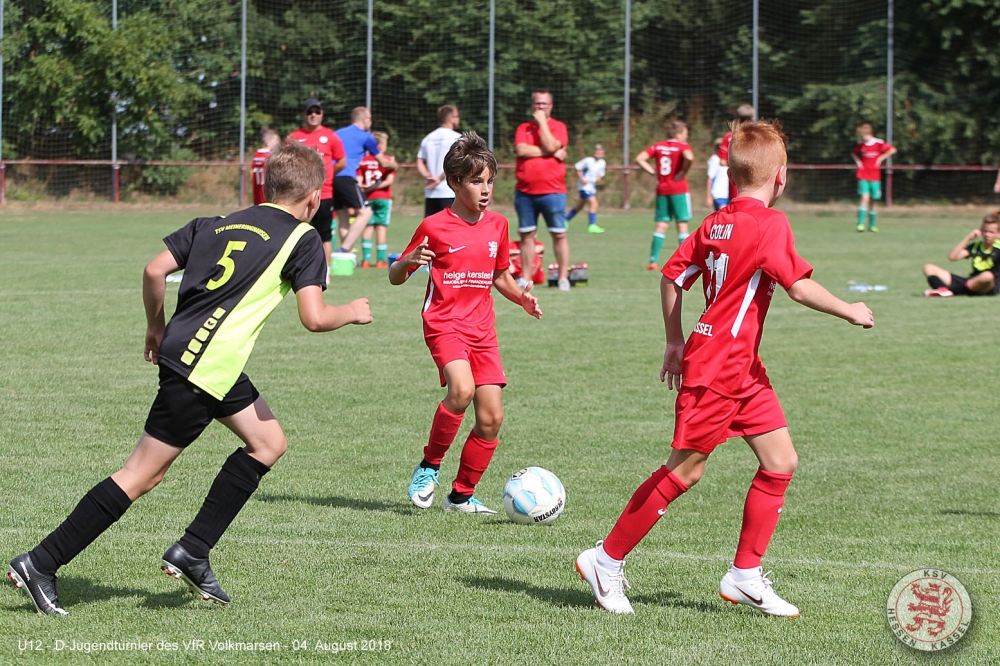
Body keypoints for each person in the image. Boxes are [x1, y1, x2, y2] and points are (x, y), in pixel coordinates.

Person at [6, 142, 373, 616]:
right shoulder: (302, 238)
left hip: (200, 357)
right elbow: (315, 317)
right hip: (205, 366)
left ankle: (193, 550)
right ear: (314, 198)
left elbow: (154, 269)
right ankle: (40, 562)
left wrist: (154, 326)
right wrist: (352, 311)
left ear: (265, 186)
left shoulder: (216, 223)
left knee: (268, 442)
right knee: (142, 474)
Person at [575, 119, 874, 617]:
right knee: (684, 471)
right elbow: (799, 287)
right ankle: (605, 559)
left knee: (780, 460)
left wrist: (674, 339)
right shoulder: (769, 224)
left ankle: (745, 575)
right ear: (781, 176)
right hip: (717, 369)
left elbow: (672, 276)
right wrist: (850, 309)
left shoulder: (715, 222)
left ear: (731, 175)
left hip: (741, 369)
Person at [390, 132, 542, 514]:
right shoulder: (434, 227)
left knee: (491, 418)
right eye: (476, 181)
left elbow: (500, 275)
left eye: (490, 181)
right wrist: (406, 262)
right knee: (461, 389)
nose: (486, 189)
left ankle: (460, 496)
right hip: (444, 324)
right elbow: (395, 276)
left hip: (483, 330)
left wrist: (522, 299)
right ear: (454, 182)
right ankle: (429, 467)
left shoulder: (498, 225)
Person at [514, 90, 572, 292]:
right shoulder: (523, 127)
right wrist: (550, 152)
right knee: (527, 235)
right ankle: (525, 278)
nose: (540, 107)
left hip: (553, 192)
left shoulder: (559, 127)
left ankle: (563, 278)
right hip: (525, 192)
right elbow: (521, 150)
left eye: (544, 104)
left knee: (559, 235)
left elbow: (552, 143)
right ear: (532, 105)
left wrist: (542, 124)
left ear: (551, 106)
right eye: (537, 104)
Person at [288, 98, 347, 268]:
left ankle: (325, 271)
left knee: (324, 235)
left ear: (322, 114)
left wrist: (325, 175)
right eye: (309, 112)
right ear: (304, 114)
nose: (313, 115)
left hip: (323, 193)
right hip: (299, 194)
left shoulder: (330, 136)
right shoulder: (294, 137)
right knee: (295, 233)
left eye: (317, 111)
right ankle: (297, 268)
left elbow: (342, 161)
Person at [334, 107, 397, 257]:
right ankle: (344, 249)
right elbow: (384, 162)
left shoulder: (337, 133)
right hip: (346, 177)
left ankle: (346, 255)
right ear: (365, 120)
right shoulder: (366, 137)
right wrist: (395, 165)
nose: (371, 122)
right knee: (365, 212)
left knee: (343, 216)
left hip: (331, 176)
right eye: (370, 118)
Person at [636, 120, 695, 270]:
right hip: (679, 189)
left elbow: (640, 158)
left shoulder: (658, 146)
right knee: (682, 224)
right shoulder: (683, 146)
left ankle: (653, 260)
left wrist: (653, 172)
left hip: (662, 189)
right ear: (679, 134)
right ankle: (685, 261)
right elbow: (689, 157)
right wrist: (683, 172)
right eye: (685, 134)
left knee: (661, 225)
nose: (686, 137)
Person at [923, 212, 1000, 297]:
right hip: (969, 282)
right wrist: (968, 238)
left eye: (991, 232)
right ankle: (942, 290)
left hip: (988, 286)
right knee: (929, 267)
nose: (987, 235)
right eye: (985, 231)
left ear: (998, 234)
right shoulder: (976, 246)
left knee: (987, 276)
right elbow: (952, 257)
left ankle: (958, 289)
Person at [357, 131, 394, 269]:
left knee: (368, 227)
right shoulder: (388, 160)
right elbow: (389, 181)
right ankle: (380, 261)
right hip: (383, 198)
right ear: (381, 146)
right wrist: (375, 186)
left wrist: (366, 188)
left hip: (367, 198)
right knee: (381, 228)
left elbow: (359, 181)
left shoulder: (363, 161)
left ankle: (366, 260)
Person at [417, 105, 462, 217]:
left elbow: (420, 161)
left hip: (431, 192)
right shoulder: (457, 138)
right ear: (451, 118)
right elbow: (456, 162)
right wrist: (440, 178)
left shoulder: (428, 138)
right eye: (457, 116)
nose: (458, 119)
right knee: (452, 225)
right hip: (450, 191)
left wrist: (428, 176)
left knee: (431, 226)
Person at [852, 123, 896, 233]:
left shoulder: (878, 143)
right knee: (865, 198)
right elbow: (854, 154)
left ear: (869, 133)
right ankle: (860, 224)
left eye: (863, 135)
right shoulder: (860, 144)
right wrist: (858, 162)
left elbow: (892, 150)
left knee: (874, 200)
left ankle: (872, 225)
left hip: (875, 176)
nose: (862, 137)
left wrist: (880, 158)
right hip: (863, 174)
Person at [566, 143, 607, 234]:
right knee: (594, 203)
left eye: (600, 152)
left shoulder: (602, 163)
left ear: (603, 154)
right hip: (584, 186)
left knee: (580, 206)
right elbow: (577, 167)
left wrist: (599, 178)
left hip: (591, 187)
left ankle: (565, 221)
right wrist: (582, 179)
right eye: (597, 151)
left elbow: (601, 174)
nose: (598, 154)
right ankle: (592, 226)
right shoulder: (588, 160)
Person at [717, 104, 755, 201]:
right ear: (752, 118)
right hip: (755, 181)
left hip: (735, 182)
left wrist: (736, 165)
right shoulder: (757, 137)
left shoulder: (729, 137)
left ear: (737, 118)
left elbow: (722, 161)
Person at [251, 128, 281, 206]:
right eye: (276, 141)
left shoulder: (256, 155)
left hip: (257, 196)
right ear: (267, 142)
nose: (278, 143)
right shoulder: (270, 156)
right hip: (268, 196)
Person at [705, 137, 730, 211]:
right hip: (718, 194)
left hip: (726, 194)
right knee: (723, 214)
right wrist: (708, 197)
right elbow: (709, 179)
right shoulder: (714, 159)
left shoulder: (727, 160)